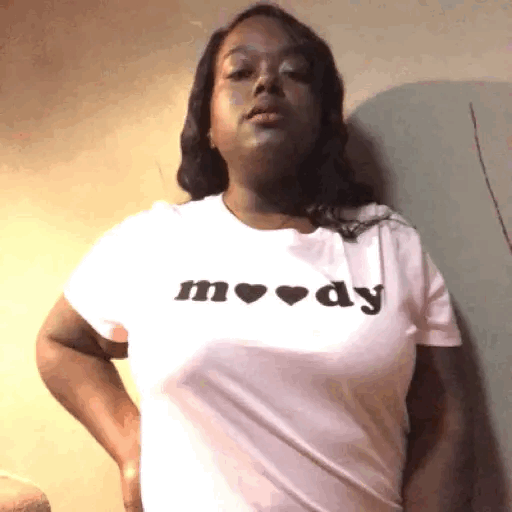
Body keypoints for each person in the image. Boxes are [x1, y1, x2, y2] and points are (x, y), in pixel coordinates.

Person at [35, 2, 473, 511]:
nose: (266, 83)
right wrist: (133, 448)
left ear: (323, 117)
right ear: (207, 122)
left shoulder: (390, 244)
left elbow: (445, 419)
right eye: (240, 72)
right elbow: (60, 343)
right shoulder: (151, 241)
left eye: (295, 73)